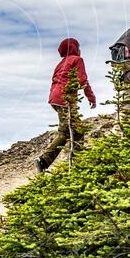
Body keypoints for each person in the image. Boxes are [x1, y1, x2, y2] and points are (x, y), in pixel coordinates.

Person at [35, 38, 96, 172]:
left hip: (55, 98)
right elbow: (82, 80)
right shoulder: (77, 60)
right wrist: (91, 96)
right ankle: (49, 161)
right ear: (74, 48)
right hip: (65, 99)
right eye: (78, 47)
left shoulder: (60, 63)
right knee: (72, 131)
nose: (80, 49)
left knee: (71, 130)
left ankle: (71, 162)